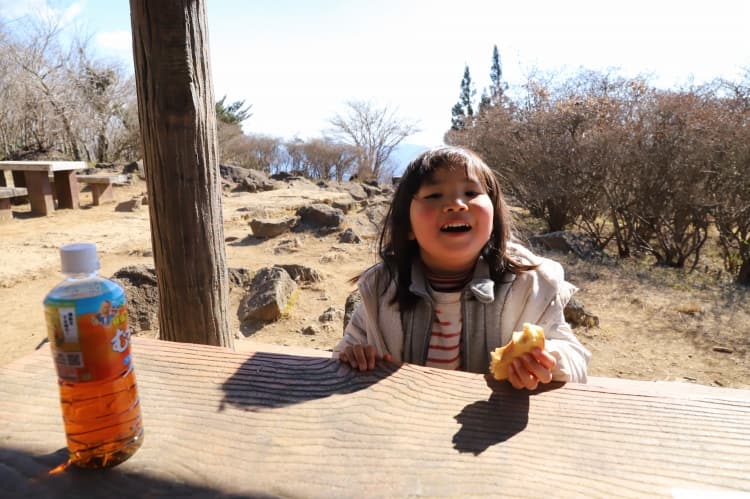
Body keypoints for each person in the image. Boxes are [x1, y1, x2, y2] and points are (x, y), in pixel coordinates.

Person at [333, 146, 590, 390]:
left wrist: (550, 361)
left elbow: (577, 361)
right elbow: (344, 353)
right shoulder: (381, 288)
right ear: (408, 225)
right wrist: (355, 356)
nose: (456, 204)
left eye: (471, 193)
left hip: (491, 427)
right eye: (434, 195)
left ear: (494, 213)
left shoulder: (530, 285)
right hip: (406, 425)